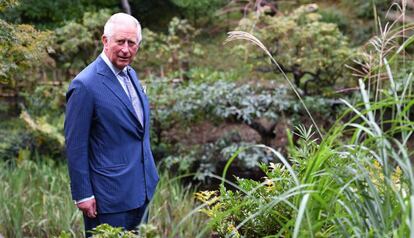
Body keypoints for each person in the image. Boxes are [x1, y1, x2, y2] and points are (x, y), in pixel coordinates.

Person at [64, 13, 159, 236]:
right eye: (120, 42)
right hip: (108, 196)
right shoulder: (85, 85)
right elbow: (75, 144)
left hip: (142, 188)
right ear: (105, 41)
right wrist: (83, 194)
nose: (126, 49)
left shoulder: (131, 74)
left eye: (132, 43)